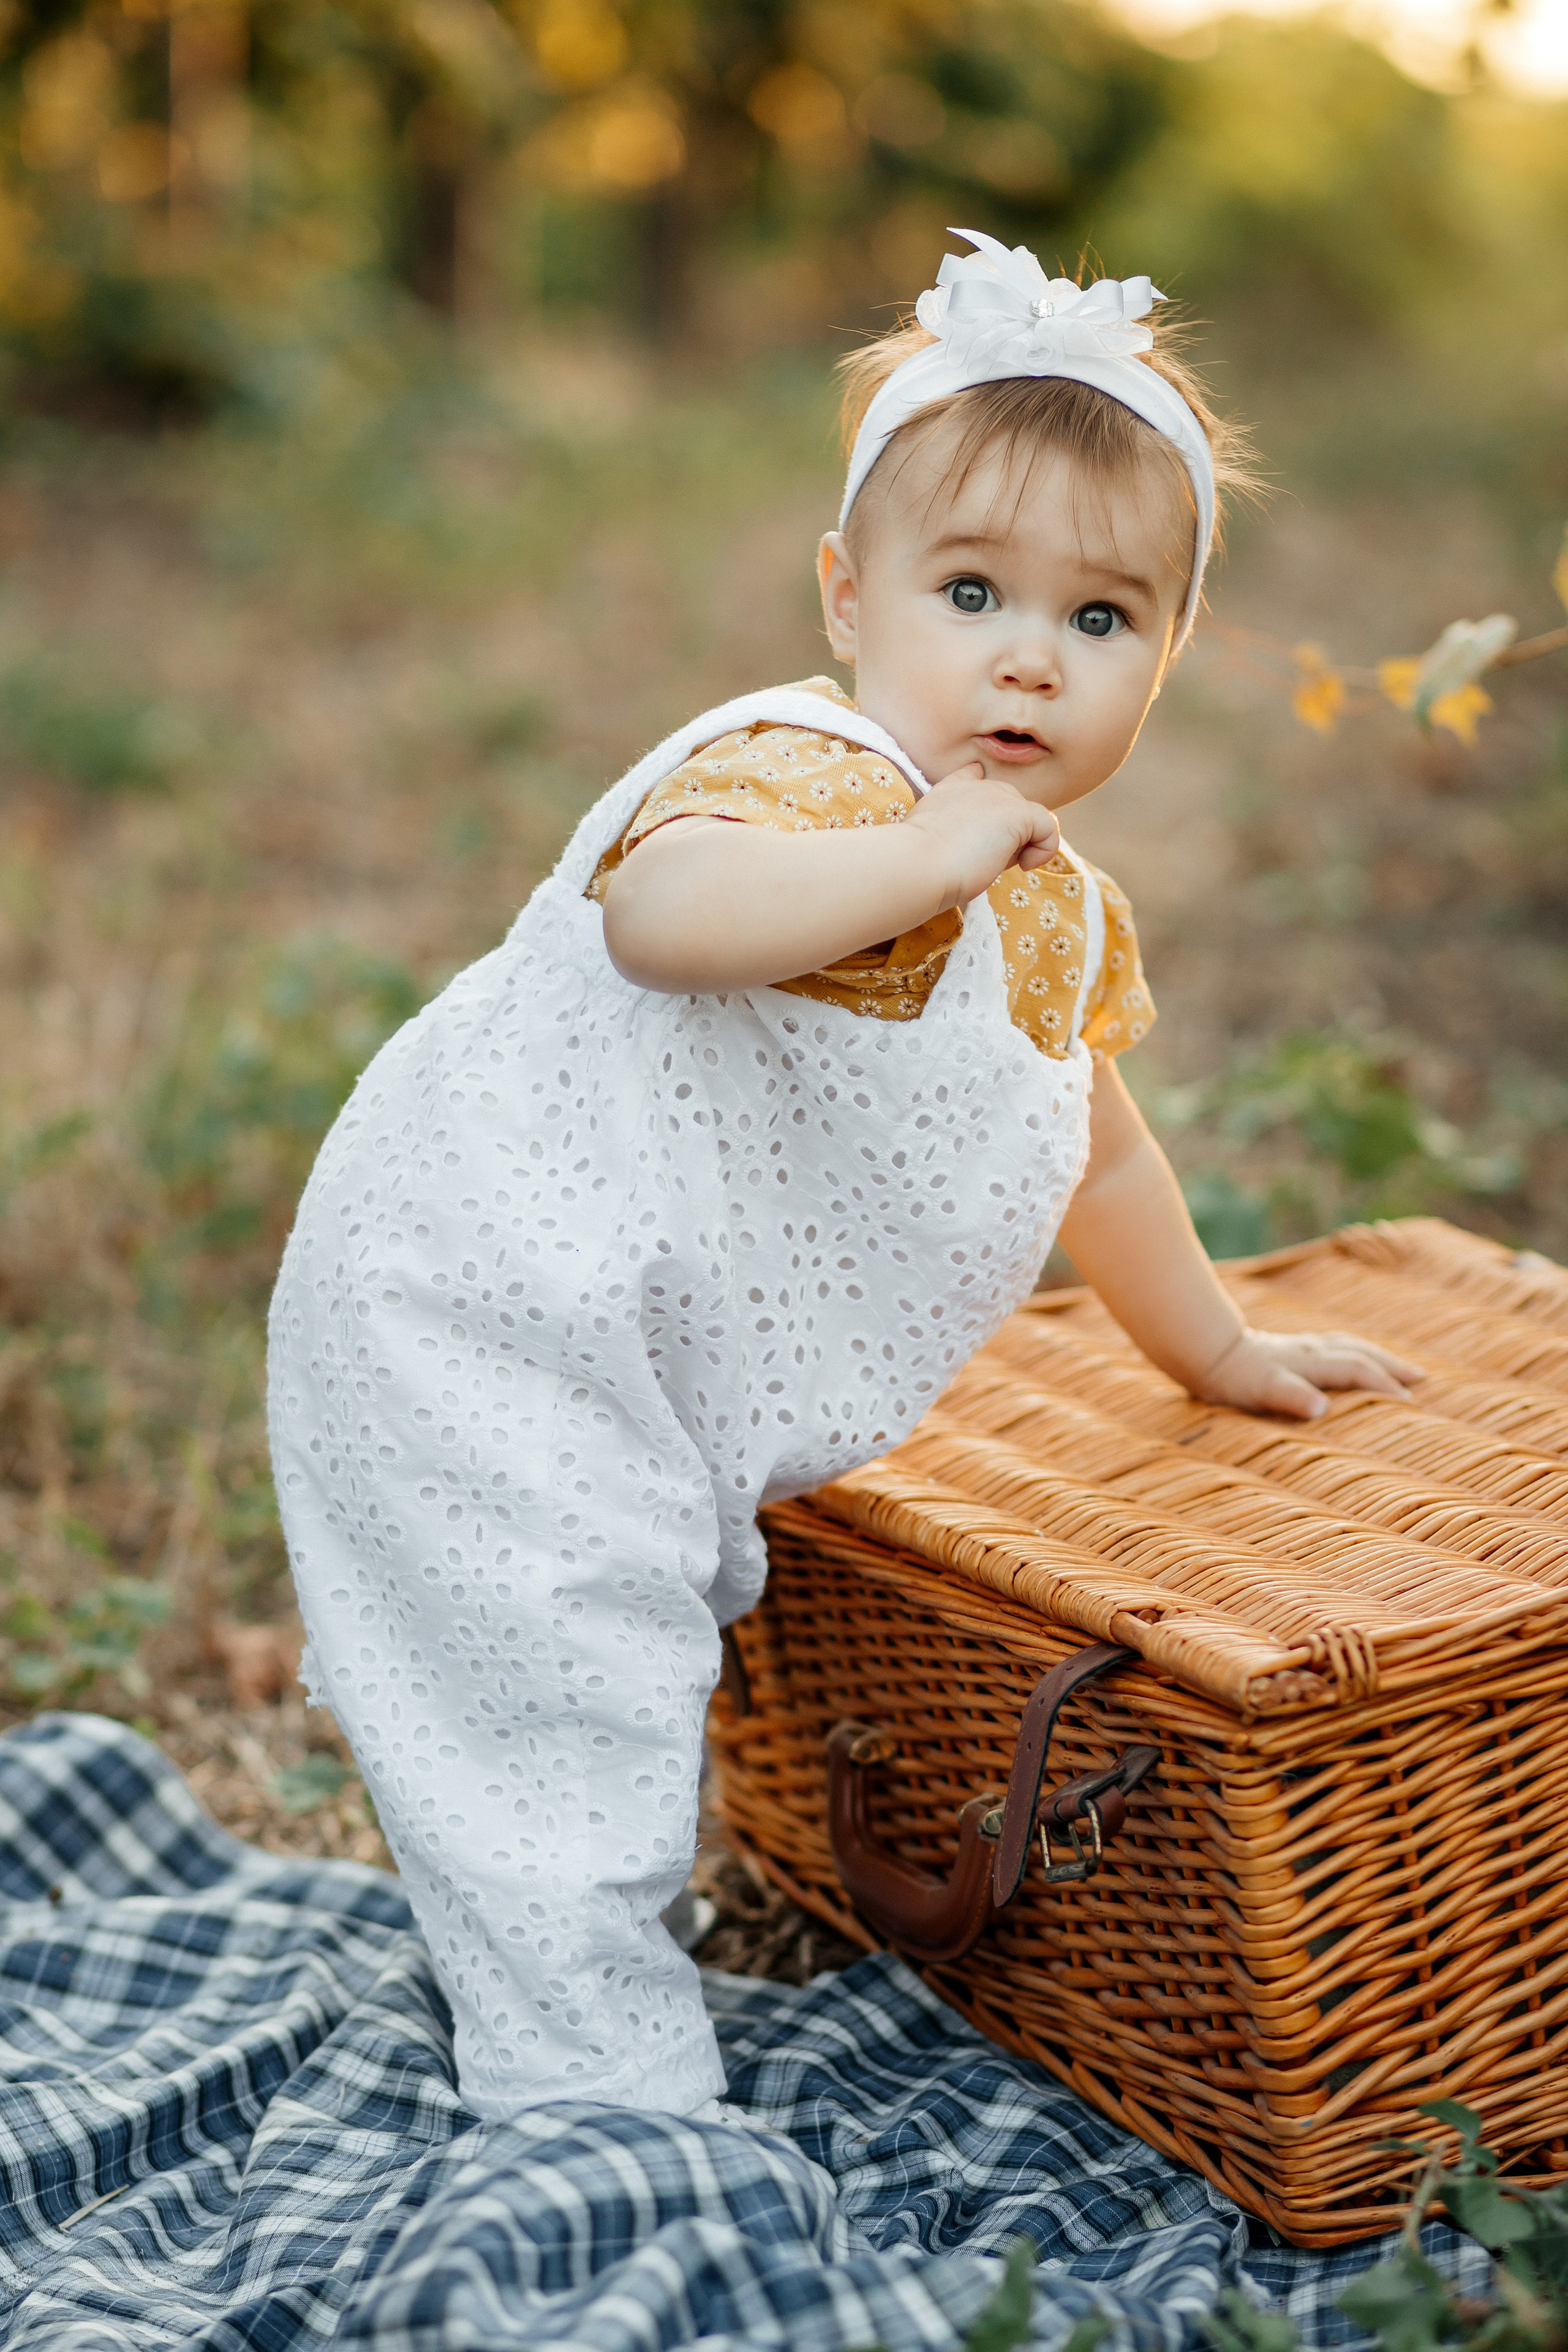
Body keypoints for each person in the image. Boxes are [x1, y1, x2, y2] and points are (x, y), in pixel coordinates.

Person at [267, 230, 1417, 2126]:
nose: (1030, 656)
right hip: (477, 1297)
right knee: (550, 1690)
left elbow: (1090, 1142)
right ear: (847, 596)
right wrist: (923, 855)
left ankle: (591, 2025)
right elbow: (665, 918)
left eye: (1103, 618)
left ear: (1168, 659)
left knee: (614, 1667)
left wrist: (1216, 1349)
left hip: (627, 1354)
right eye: (971, 592)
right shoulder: (803, 773)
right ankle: (595, 2111)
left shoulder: (1042, 904)